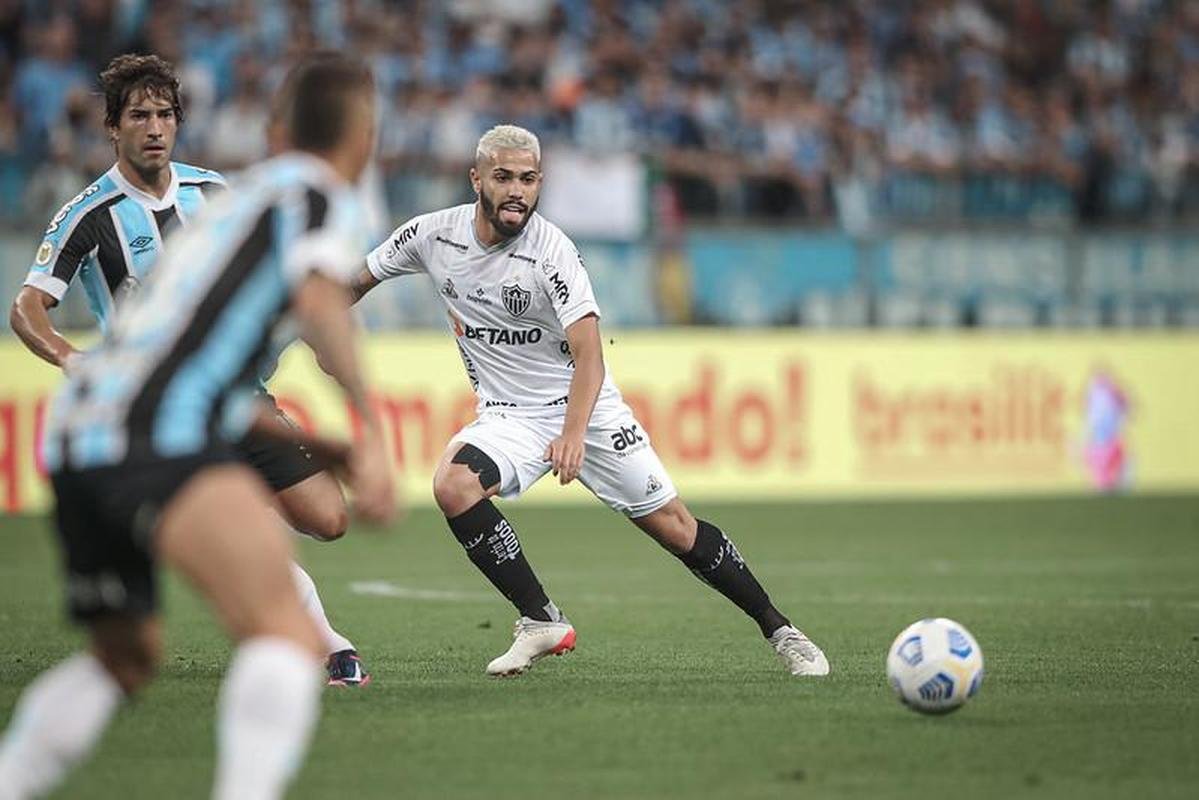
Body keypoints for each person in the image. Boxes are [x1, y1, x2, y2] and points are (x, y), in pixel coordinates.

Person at [0, 54, 393, 800]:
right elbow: (318, 308)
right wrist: (369, 428)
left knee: (124, 657)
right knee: (282, 635)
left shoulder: (229, 195)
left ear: (277, 127)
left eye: (164, 114)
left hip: (88, 426)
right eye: (139, 115)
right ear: (360, 135)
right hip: (162, 423)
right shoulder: (312, 193)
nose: (155, 129)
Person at [350, 124, 829, 678]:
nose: (516, 191)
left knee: (676, 527)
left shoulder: (551, 251)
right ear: (475, 178)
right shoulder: (431, 235)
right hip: (508, 416)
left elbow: (590, 354)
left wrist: (574, 433)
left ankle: (782, 630)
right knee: (453, 485)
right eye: (503, 177)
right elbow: (354, 281)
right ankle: (540, 619)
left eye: (528, 180)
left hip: (587, 409)